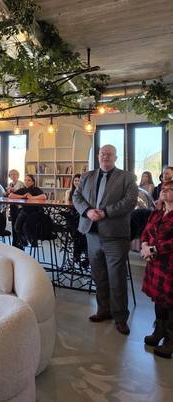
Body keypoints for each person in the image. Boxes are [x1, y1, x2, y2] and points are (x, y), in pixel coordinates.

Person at [73, 144, 138, 335]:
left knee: (117, 278)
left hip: (115, 235)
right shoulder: (87, 176)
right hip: (92, 233)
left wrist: (106, 212)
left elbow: (130, 201)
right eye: (102, 154)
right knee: (99, 275)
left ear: (115, 158)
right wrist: (87, 211)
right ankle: (103, 310)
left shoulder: (127, 177)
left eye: (109, 154)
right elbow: (76, 197)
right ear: (98, 156)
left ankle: (120, 318)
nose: (105, 157)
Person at [140, 179, 173, 358]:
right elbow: (146, 231)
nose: (165, 190)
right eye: (164, 188)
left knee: (171, 303)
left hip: (170, 265)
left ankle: (170, 340)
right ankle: (159, 331)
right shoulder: (157, 213)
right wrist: (144, 246)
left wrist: (153, 250)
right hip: (155, 264)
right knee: (159, 300)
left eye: (171, 189)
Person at [9, 174, 47, 247]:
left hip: (35, 211)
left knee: (26, 226)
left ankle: (33, 242)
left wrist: (32, 198)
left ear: (33, 182)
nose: (26, 182)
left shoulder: (36, 189)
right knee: (16, 227)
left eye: (29, 180)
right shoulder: (23, 189)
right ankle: (24, 242)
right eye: (25, 180)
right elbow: (11, 195)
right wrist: (23, 196)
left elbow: (44, 197)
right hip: (25, 210)